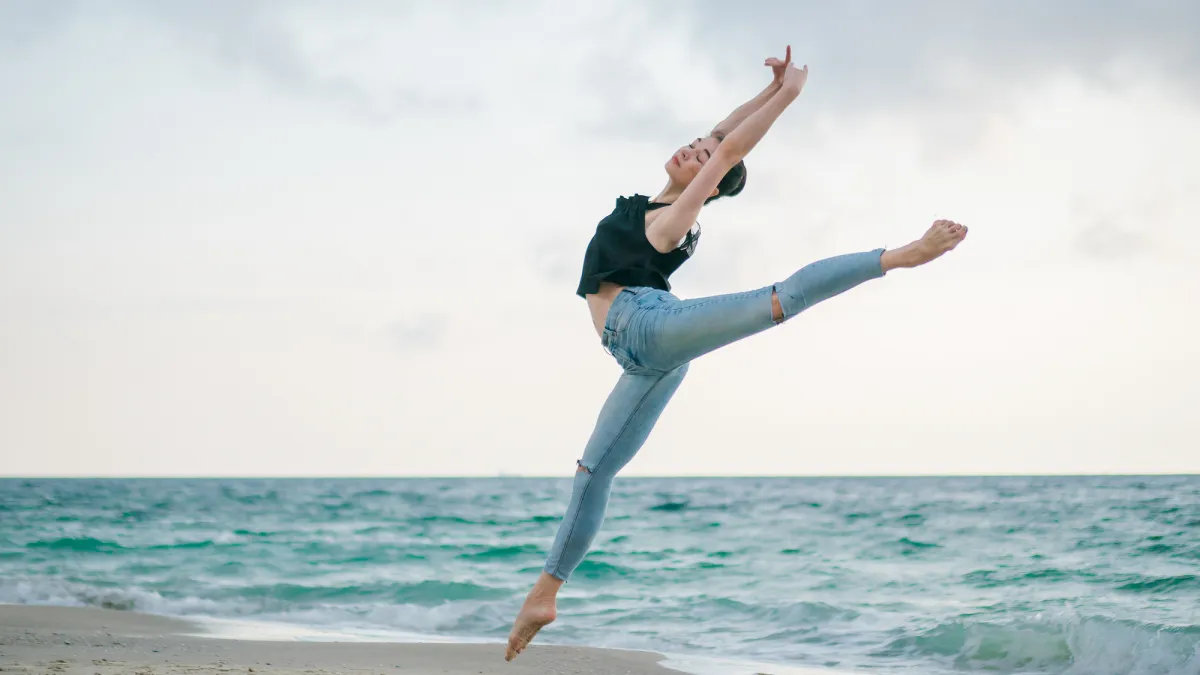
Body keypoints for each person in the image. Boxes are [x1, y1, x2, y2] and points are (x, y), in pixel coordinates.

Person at [504, 47, 968, 661]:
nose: (694, 148)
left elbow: (727, 153)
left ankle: (900, 256)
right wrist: (769, 88)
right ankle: (544, 594)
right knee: (594, 472)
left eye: (703, 157)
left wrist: (789, 98)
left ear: (711, 185)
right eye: (694, 143)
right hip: (643, 358)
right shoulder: (652, 203)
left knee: (779, 300)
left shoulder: (672, 220)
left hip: (648, 325)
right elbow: (723, 136)